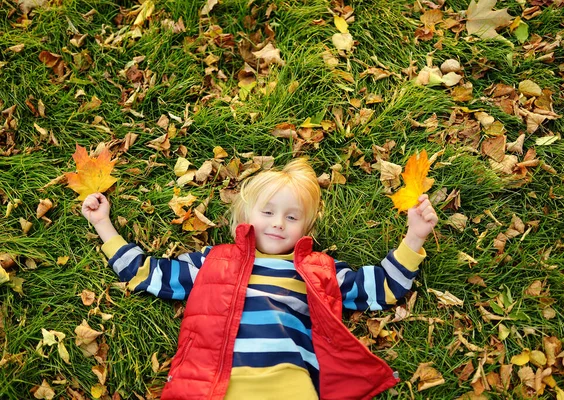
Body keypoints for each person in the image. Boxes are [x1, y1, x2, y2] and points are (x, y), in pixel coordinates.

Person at [82, 158, 438, 400]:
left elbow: (382, 288)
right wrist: (104, 225)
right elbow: (149, 274)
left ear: (306, 227)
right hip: (215, 386)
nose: (278, 222)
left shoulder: (319, 269)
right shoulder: (214, 261)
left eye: (291, 216)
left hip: (291, 384)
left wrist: (415, 237)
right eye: (268, 212)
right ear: (246, 215)